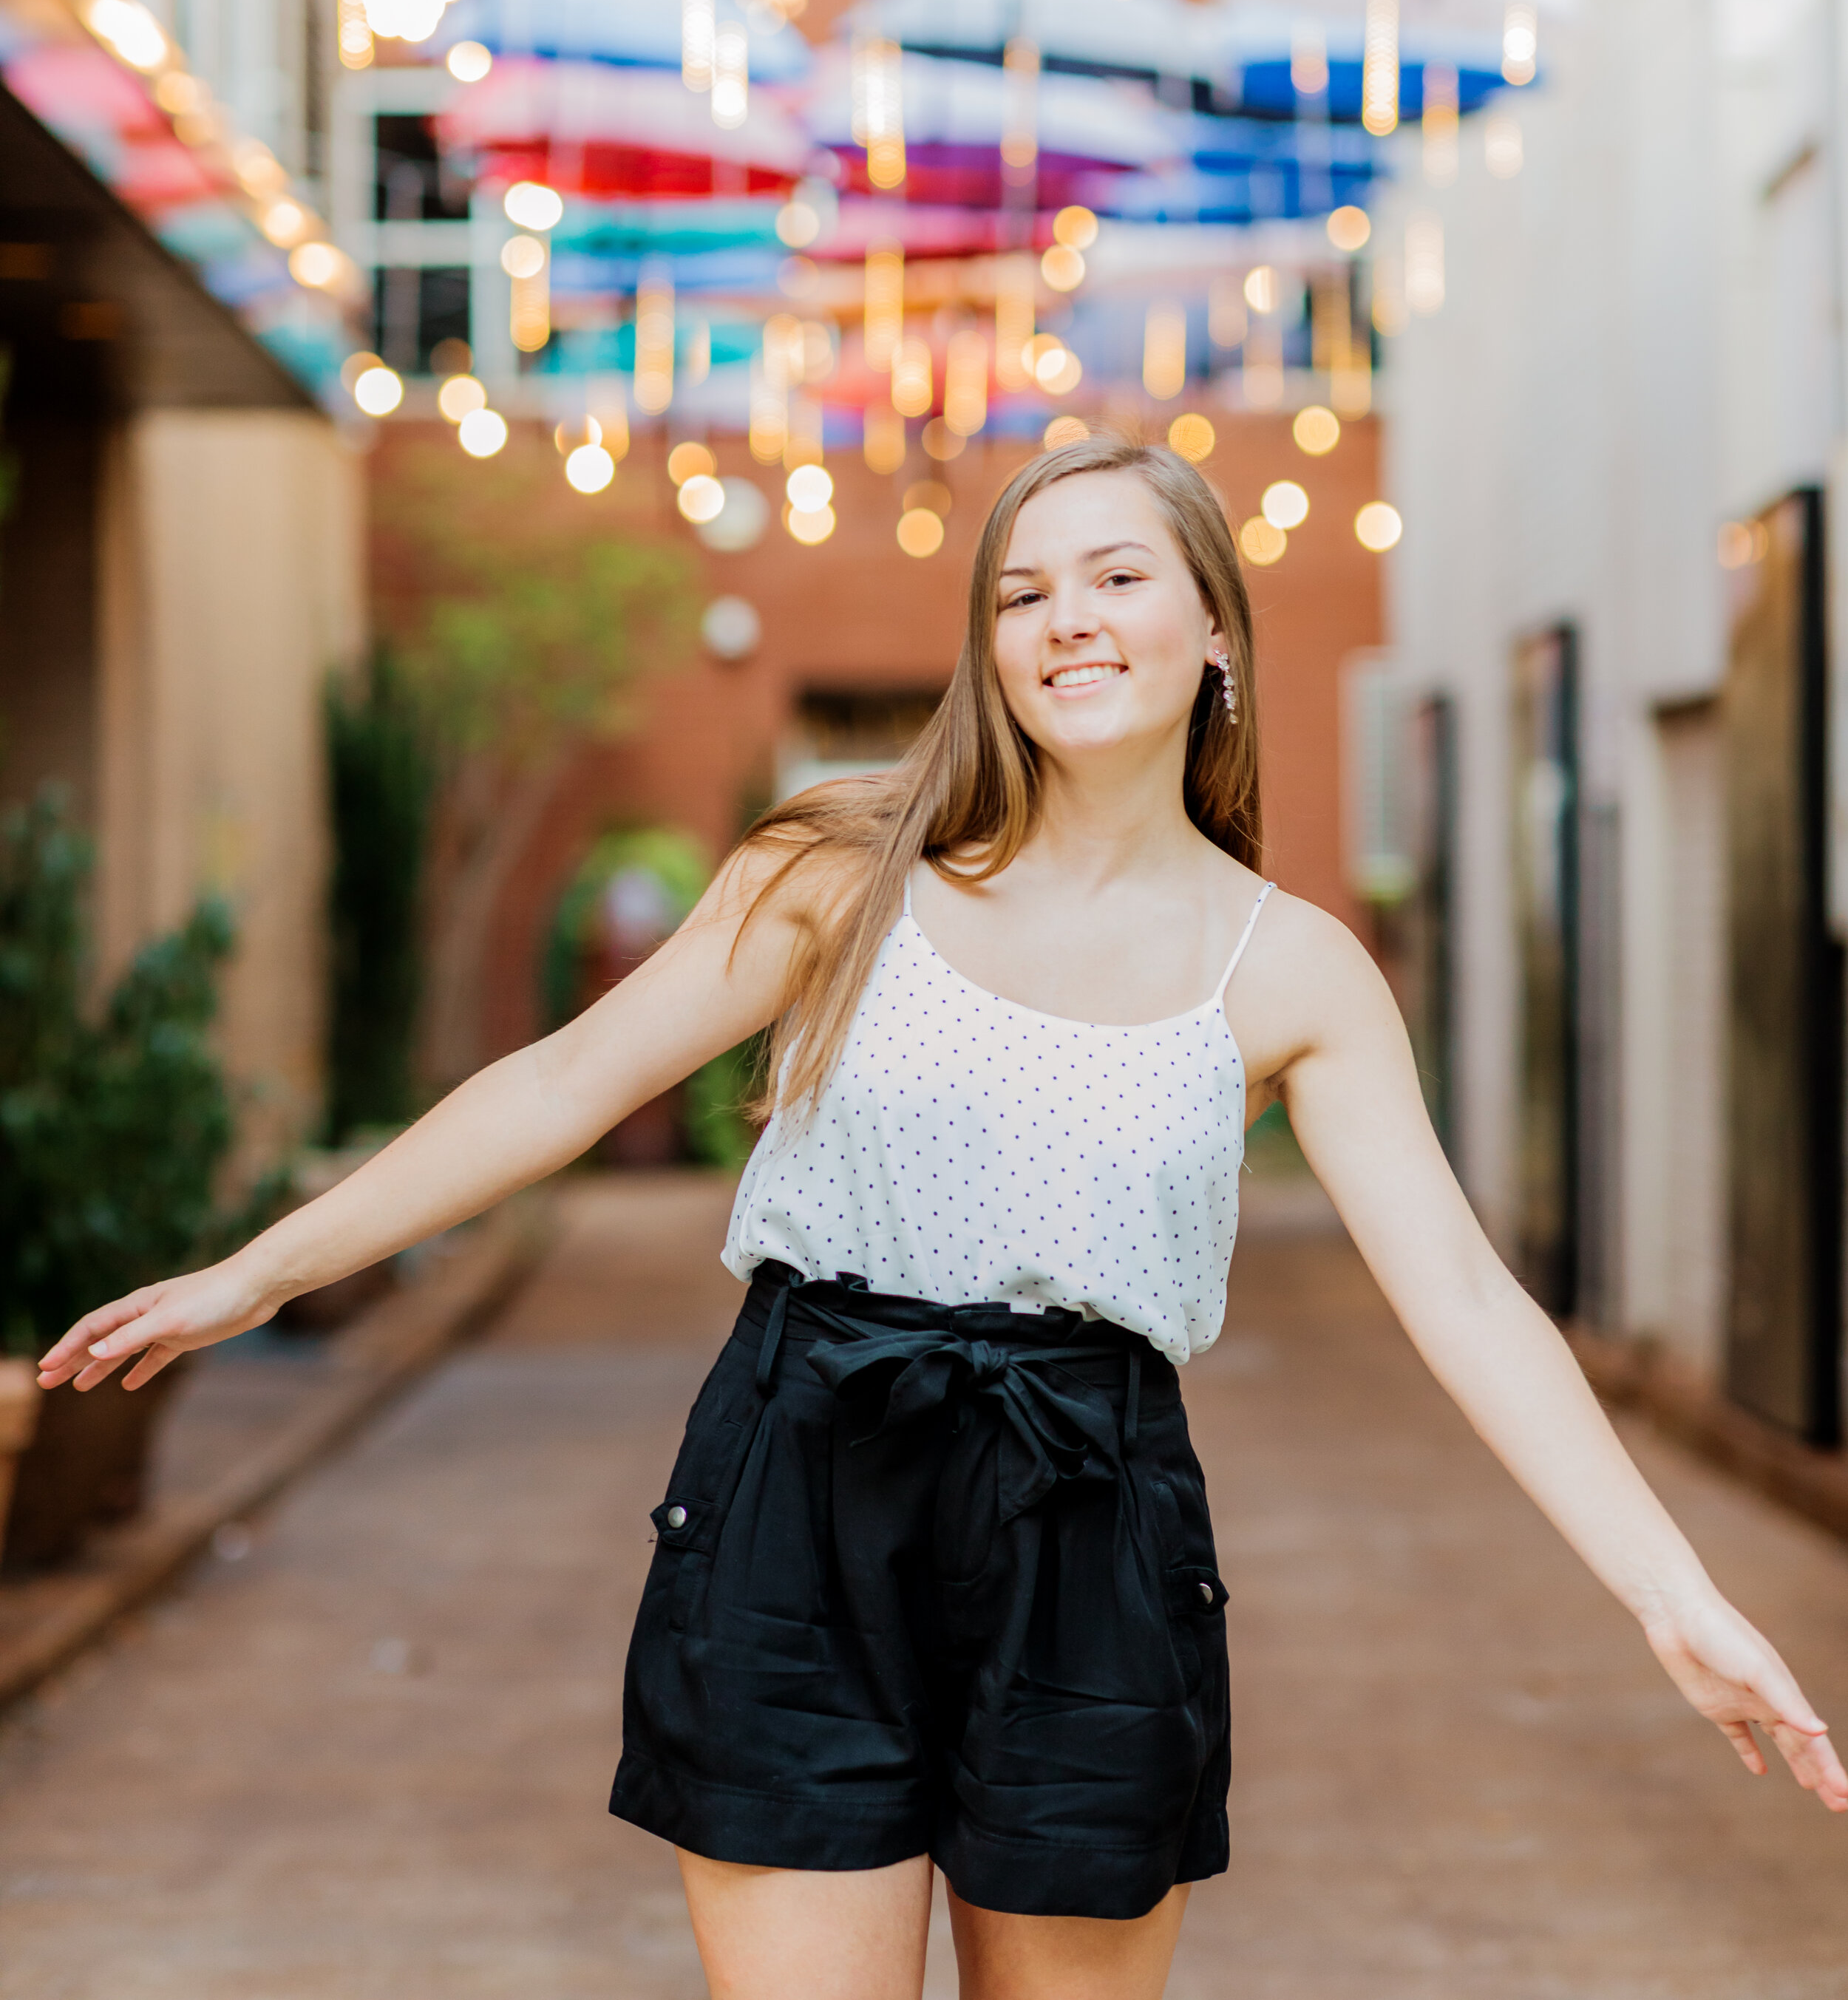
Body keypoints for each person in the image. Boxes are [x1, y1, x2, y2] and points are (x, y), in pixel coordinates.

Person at [38, 435, 1847, 2000]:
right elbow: (558, 1087)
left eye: (1117, 574)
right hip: (797, 1486)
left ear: (1212, 626)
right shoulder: (839, 877)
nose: (1064, 616)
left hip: (1090, 1525)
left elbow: (1455, 1291)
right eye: (1021, 591)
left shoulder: (1287, 969)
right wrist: (259, 1272)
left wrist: (1668, 1593)